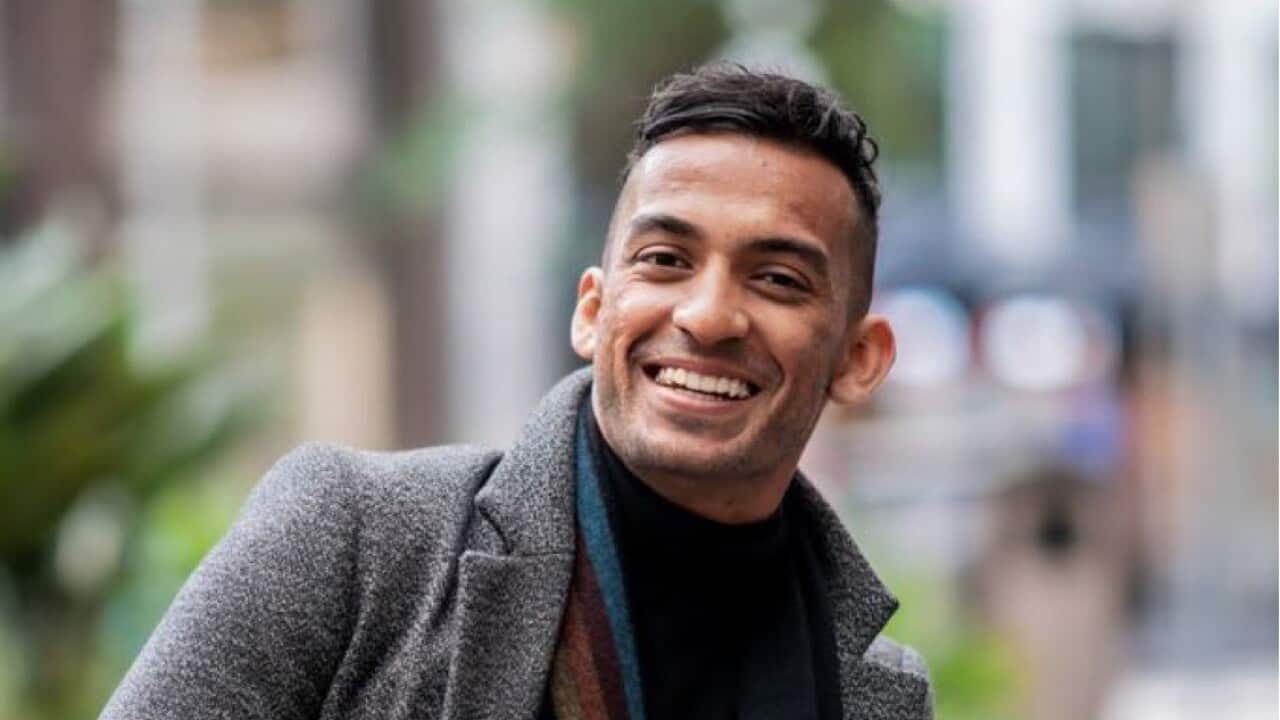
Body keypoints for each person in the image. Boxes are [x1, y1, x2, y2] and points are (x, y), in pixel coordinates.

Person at [102, 64, 932, 720]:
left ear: (859, 360)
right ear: (594, 310)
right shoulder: (352, 541)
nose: (709, 315)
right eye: (665, 260)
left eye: (778, 278)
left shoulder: (880, 692)